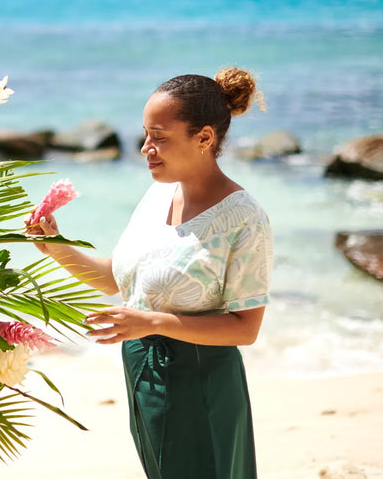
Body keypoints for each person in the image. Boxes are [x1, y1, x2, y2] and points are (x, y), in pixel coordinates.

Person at [30, 68, 273, 479]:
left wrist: (149, 322)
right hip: (145, 373)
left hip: (201, 382)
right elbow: (119, 279)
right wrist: (54, 246)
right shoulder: (158, 193)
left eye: (159, 137)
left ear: (205, 138)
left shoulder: (244, 219)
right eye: (145, 134)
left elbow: (245, 329)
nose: (146, 148)